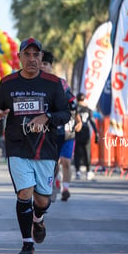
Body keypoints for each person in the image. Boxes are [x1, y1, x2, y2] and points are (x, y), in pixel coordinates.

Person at [0, 38, 70, 254]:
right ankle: (27, 243)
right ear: (20, 57)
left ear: (41, 58)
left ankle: (38, 219)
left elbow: (65, 113)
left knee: (42, 200)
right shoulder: (8, 83)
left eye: (36, 55)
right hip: (17, 147)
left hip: (45, 150)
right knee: (24, 193)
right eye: (27, 54)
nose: (32, 59)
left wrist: (48, 117)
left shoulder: (54, 84)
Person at [41, 50, 82, 202]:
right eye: (41, 63)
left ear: (51, 66)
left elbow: (73, 103)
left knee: (66, 161)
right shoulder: (36, 84)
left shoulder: (61, 83)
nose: (43, 66)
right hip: (49, 130)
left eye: (46, 64)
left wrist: (78, 120)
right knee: (52, 163)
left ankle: (65, 188)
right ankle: (53, 184)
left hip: (67, 130)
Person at [74, 93, 99, 180]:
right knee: (87, 152)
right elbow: (92, 121)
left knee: (77, 153)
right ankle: (88, 171)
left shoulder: (75, 108)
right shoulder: (88, 110)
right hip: (85, 132)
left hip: (77, 132)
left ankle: (77, 171)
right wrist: (96, 133)